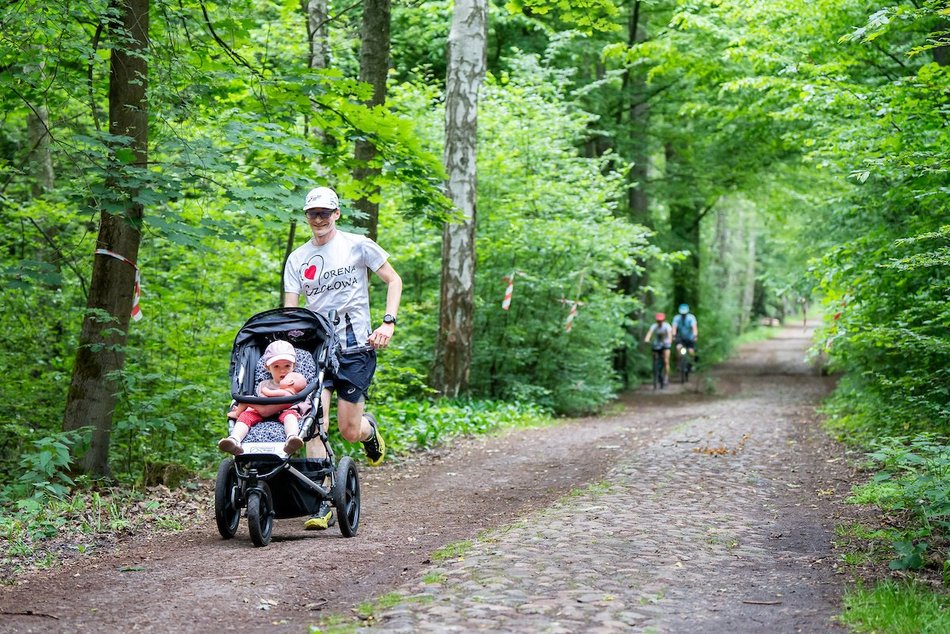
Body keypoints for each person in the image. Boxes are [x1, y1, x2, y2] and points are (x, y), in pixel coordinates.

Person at [283, 186, 402, 530]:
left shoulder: (357, 245)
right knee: (311, 423)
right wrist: (288, 350)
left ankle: (369, 433)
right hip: (316, 349)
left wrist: (388, 323)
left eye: (324, 213)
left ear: (336, 214)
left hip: (355, 347)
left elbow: (394, 280)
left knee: (349, 430)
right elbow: (291, 311)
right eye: (312, 213)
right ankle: (321, 501)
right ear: (306, 217)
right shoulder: (297, 259)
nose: (318, 219)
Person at [219, 340, 307, 456]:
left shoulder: (296, 383)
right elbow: (261, 399)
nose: (282, 370)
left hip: (284, 411)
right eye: (276, 366)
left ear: (294, 366)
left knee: (291, 416)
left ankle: (292, 438)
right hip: (263, 411)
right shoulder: (264, 384)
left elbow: (303, 401)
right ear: (267, 368)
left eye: (287, 366)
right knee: (246, 416)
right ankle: (234, 440)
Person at [644, 312, 672, 386]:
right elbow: (649, 333)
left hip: (666, 344)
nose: (659, 322)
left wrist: (669, 341)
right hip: (657, 344)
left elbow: (670, 335)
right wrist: (647, 339)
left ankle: (666, 377)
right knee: (655, 356)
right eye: (658, 321)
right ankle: (656, 369)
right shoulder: (654, 326)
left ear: (663, 320)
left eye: (661, 321)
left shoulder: (667, 326)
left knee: (666, 361)